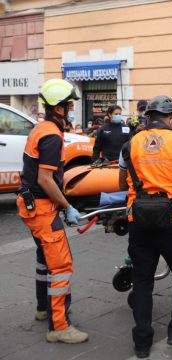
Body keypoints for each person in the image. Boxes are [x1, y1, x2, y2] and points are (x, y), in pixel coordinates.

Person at [118, 95, 172, 359]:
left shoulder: (131, 144)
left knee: (143, 280)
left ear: (148, 118)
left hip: (139, 223)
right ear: (170, 119)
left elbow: (122, 185)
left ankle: (142, 343)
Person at [16, 79, 88, 344]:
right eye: (68, 105)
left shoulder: (40, 129)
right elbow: (46, 179)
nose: (71, 109)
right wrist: (68, 206)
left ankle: (43, 308)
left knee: (43, 258)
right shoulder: (51, 135)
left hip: (31, 206)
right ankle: (59, 325)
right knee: (60, 266)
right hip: (42, 208)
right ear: (57, 108)